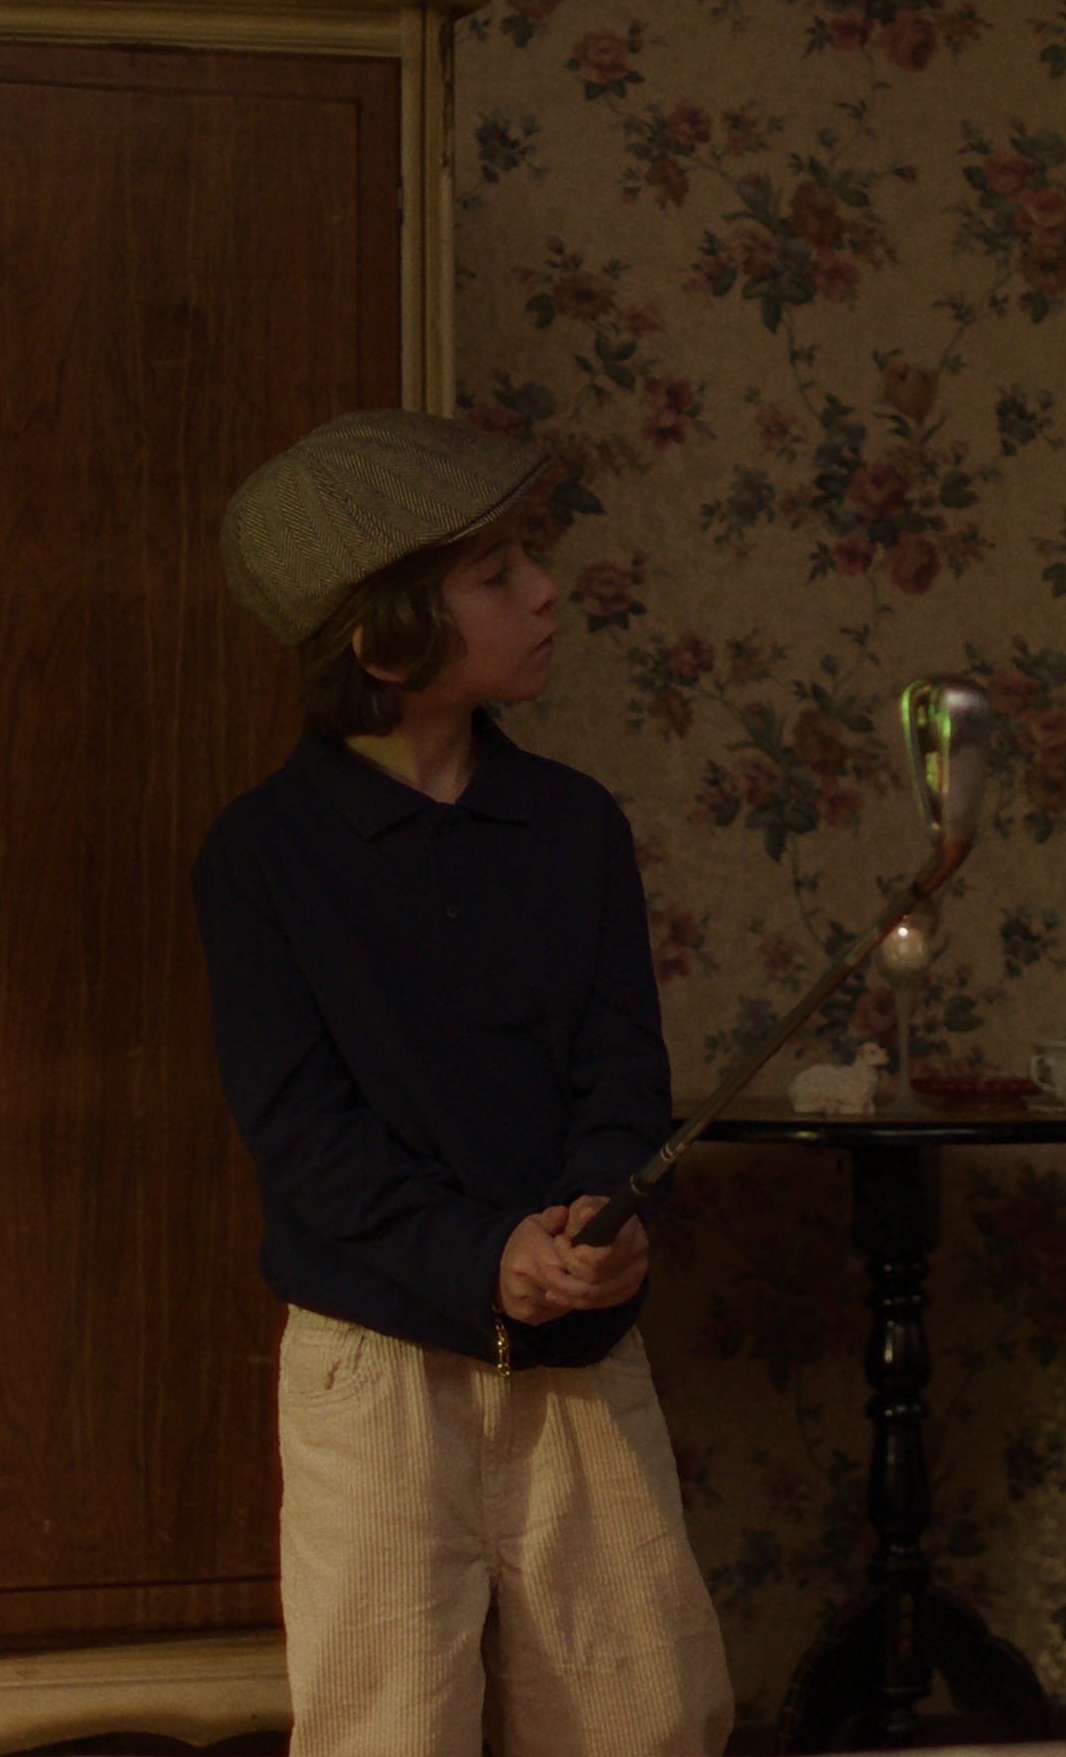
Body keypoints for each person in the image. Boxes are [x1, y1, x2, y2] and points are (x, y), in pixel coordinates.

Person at [192, 408, 734, 1757]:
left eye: (527, 560)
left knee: (645, 1716)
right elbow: (303, 1138)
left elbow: (623, 1072)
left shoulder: (574, 826)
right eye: (496, 575)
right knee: (389, 1728)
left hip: (578, 1356)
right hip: (373, 1371)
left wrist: (602, 1217)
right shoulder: (260, 859)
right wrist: (481, 1255)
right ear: (385, 644)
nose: (544, 591)